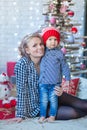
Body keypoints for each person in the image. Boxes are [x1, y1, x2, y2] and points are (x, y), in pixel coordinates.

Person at [8, 33, 87, 123]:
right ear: (27, 50)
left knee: (83, 104)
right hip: (37, 107)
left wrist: (60, 88)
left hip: (53, 93)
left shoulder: (47, 58)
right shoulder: (22, 64)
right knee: (73, 112)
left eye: (41, 44)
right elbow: (22, 91)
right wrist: (20, 115)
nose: (40, 47)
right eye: (35, 45)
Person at [38, 27, 71, 122]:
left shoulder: (59, 53)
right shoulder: (42, 51)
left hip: (55, 83)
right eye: (50, 39)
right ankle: (42, 115)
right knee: (43, 100)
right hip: (43, 83)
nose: (53, 42)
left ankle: (52, 116)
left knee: (53, 100)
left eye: (55, 39)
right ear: (45, 41)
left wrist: (68, 78)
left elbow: (64, 66)